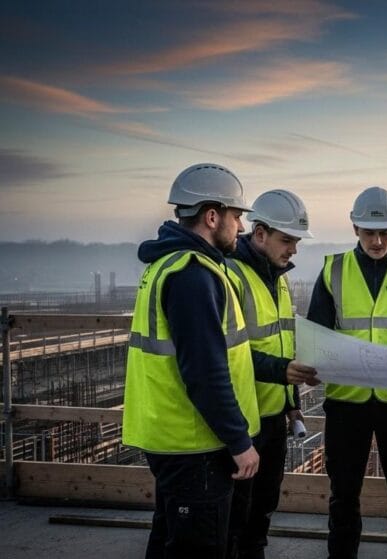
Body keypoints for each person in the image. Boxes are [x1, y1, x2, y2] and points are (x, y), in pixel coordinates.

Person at [122, 163, 261, 558]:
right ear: (211, 215)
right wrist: (239, 441)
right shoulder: (192, 275)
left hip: (175, 440)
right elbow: (204, 372)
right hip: (195, 444)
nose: (241, 227)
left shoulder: (167, 265)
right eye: (236, 216)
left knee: (170, 542)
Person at [306, 186, 387, 559]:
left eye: (384, 233)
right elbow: (318, 331)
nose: (377, 241)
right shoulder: (333, 270)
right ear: (355, 229)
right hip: (347, 402)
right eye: (368, 232)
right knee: (344, 494)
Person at [224, 189, 320, 559]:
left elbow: (280, 347)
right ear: (259, 233)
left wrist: (292, 402)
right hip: (242, 419)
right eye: (287, 240)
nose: (293, 249)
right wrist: (282, 372)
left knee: (262, 510)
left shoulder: (277, 279)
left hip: (273, 417)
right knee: (236, 516)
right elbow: (227, 354)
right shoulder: (231, 276)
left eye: (296, 241)